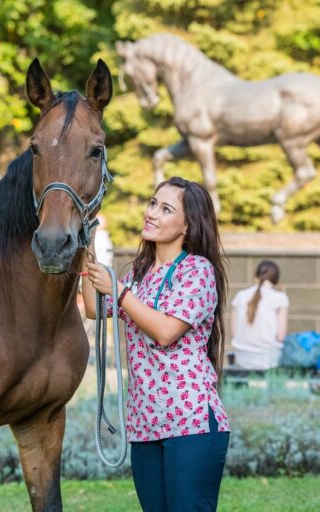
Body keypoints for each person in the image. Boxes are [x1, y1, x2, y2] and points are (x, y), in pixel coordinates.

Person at [82, 176, 229, 512]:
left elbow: (165, 331)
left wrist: (118, 291)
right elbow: (94, 308)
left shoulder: (198, 271)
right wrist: (85, 249)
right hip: (146, 422)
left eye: (166, 209)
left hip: (190, 421)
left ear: (188, 226)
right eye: (152, 204)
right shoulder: (137, 273)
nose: (152, 213)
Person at [230, 260, 289, 370]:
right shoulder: (280, 298)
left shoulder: (240, 296)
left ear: (255, 276)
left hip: (242, 358)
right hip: (269, 359)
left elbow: (234, 333)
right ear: (276, 280)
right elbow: (281, 337)